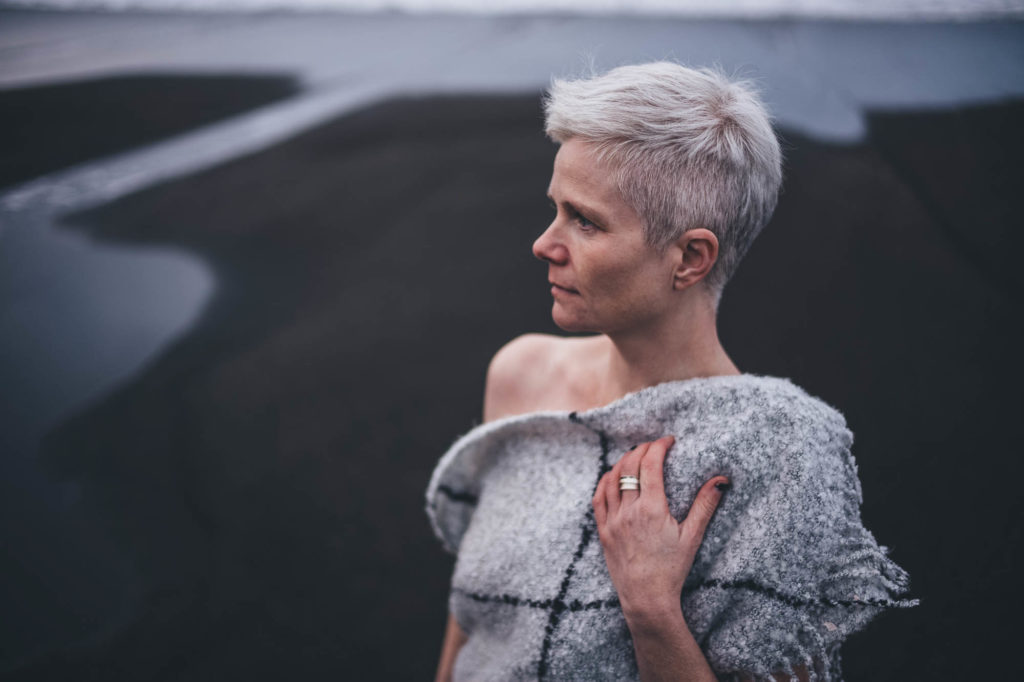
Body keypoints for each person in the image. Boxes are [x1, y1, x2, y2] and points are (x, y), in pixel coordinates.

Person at [426, 62, 915, 682]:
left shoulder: (783, 450)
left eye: (584, 220)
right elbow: (471, 625)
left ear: (690, 258)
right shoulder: (522, 375)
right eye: (555, 210)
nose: (544, 244)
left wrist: (651, 608)